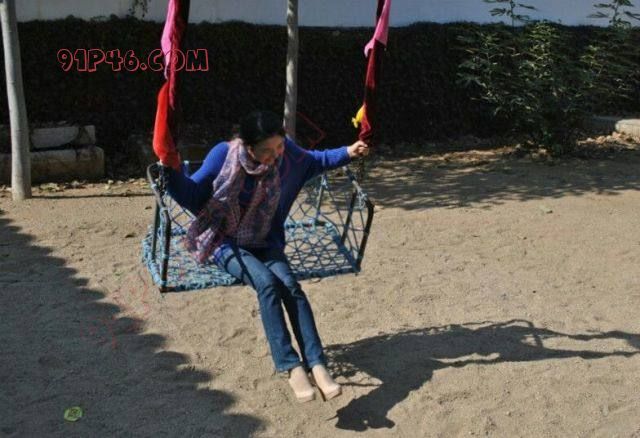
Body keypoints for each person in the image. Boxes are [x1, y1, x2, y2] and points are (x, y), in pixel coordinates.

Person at [163, 110, 369, 402]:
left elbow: (316, 161)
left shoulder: (288, 156)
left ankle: (317, 364)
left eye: (279, 147)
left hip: (264, 239)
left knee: (291, 286)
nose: (275, 156)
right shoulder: (224, 155)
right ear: (248, 147)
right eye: (266, 151)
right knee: (267, 283)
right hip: (223, 240)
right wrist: (170, 169)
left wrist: (349, 151)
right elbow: (192, 195)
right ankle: (291, 366)